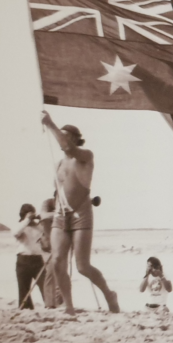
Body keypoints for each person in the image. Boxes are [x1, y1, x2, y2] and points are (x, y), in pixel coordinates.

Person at [41, 111, 119, 315]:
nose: (62, 138)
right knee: (57, 260)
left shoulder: (85, 156)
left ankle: (109, 294)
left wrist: (50, 123)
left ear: (76, 138)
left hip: (81, 214)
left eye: (66, 135)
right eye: (62, 134)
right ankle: (68, 306)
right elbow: (58, 190)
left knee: (83, 266)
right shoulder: (59, 163)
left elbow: (68, 148)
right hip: (61, 215)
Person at [13, 204, 47, 309]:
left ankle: (50, 305)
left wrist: (43, 219)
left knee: (45, 285)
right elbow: (15, 233)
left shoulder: (39, 227)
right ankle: (26, 308)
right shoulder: (19, 226)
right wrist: (27, 219)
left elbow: (48, 233)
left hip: (37, 259)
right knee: (24, 290)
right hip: (23, 259)